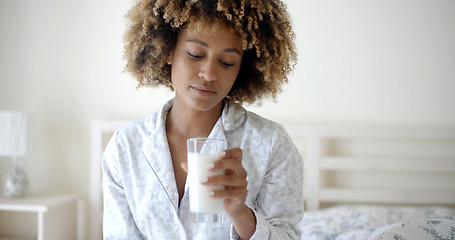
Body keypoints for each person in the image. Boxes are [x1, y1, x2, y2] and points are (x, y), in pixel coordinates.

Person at [102, 0, 303, 239]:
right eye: (195, 54)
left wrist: (240, 212)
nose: (208, 74)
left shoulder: (272, 145)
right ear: (168, 50)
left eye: (227, 63)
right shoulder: (125, 146)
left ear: (242, 68)